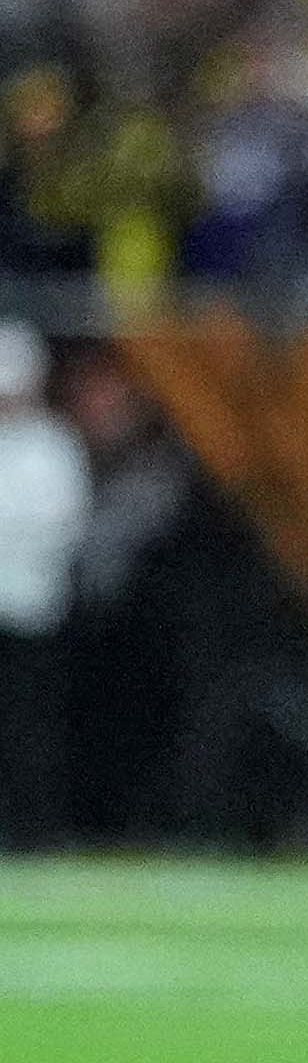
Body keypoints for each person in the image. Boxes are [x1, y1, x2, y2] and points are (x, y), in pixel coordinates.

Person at [0, 321, 77, 849]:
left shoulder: (53, 446)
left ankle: (32, 832)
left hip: (31, 609)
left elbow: (60, 524)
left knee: (29, 732)